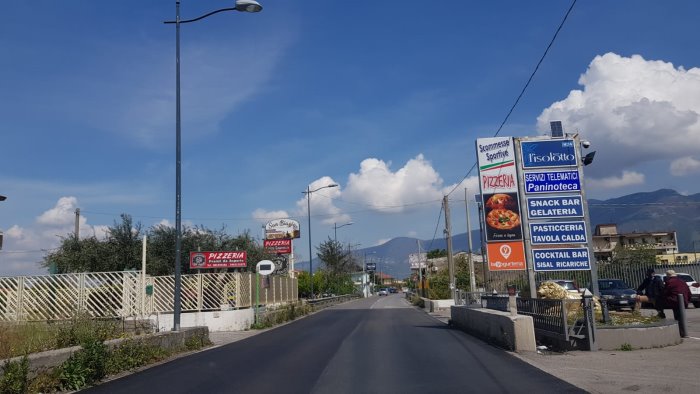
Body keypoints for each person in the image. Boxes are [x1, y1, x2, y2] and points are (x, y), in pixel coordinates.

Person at [663, 269, 691, 336]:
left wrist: (665, 300)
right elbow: (689, 292)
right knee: (682, 317)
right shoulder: (682, 281)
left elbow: (665, 292)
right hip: (683, 301)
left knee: (678, 317)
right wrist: (687, 301)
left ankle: (681, 333)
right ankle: (683, 332)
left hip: (674, 302)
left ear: (668, 276)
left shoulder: (669, 282)